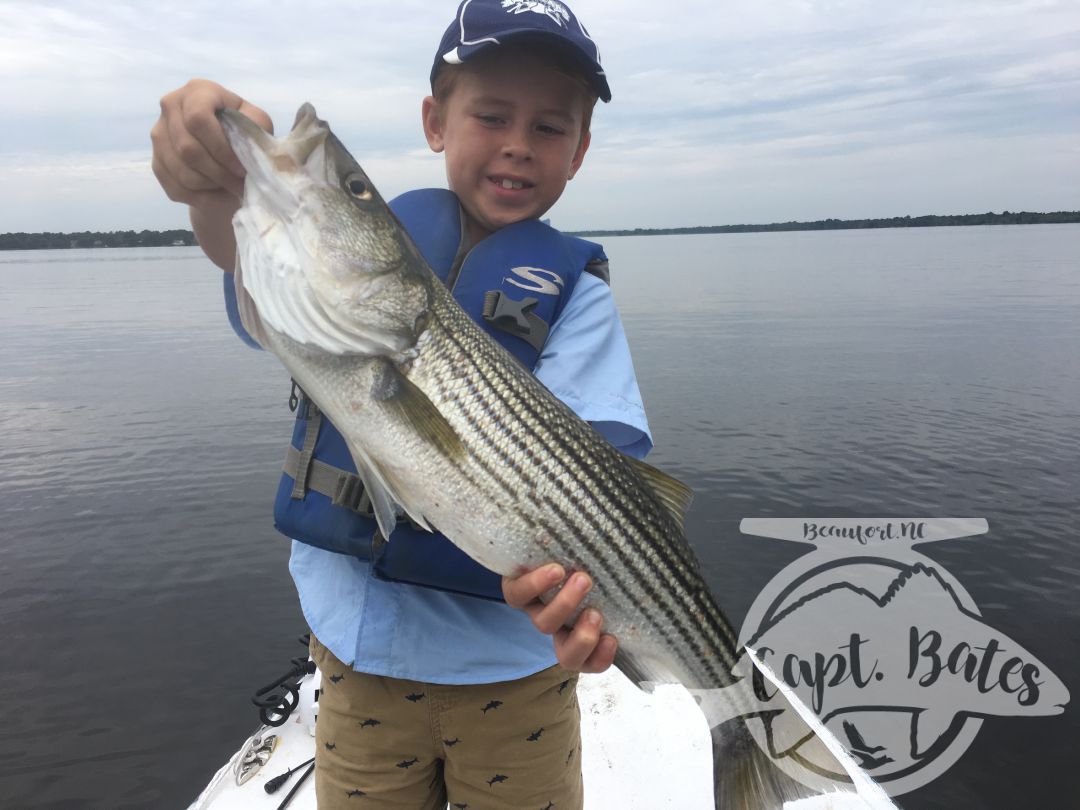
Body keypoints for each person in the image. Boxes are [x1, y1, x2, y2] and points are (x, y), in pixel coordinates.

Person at [151, 1, 652, 807]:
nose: (519, 144)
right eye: (491, 115)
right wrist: (215, 182)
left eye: (550, 128)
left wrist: (594, 605)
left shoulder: (577, 296)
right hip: (356, 663)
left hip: (512, 676)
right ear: (435, 121)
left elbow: (608, 486)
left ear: (580, 151)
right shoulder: (347, 286)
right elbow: (250, 256)